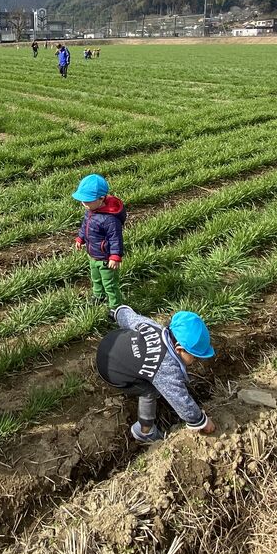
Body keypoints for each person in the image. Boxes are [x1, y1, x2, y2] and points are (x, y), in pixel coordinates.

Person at [95, 305, 216, 443]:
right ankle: (144, 430)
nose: (195, 360)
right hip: (111, 372)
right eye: (194, 356)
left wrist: (117, 313)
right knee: (150, 391)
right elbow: (180, 400)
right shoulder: (166, 368)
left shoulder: (155, 327)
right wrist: (201, 421)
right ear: (179, 349)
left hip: (109, 342)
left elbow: (131, 318)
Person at [73, 174, 126, 308]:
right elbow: (85, 226)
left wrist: (115, 256)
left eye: (87, 201)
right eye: (83, 201)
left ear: (101, 198)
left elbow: (116, 238)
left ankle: (115, 307)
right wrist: (81, 238)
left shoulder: (110, 220)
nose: (83, 204)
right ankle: (99, 296)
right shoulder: (91, 210)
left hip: (106, 259)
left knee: (109, 284)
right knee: (96, 279)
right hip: (93, 255)